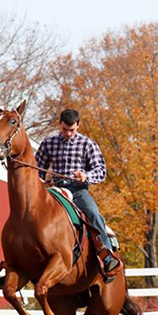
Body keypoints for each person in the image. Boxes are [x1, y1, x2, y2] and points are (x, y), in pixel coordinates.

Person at [35, 108, 121, 276]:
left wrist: (85, 175)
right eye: (64, 129)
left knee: (93, 213)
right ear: (59, 124)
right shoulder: (48, 143)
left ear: (78, 126)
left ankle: (106, 255)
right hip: (55, 190)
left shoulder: (87, 144)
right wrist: (38, 178)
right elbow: (39, 168)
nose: (68, 133)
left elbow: (101, 170)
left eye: (71, 130)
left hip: (78, 191)